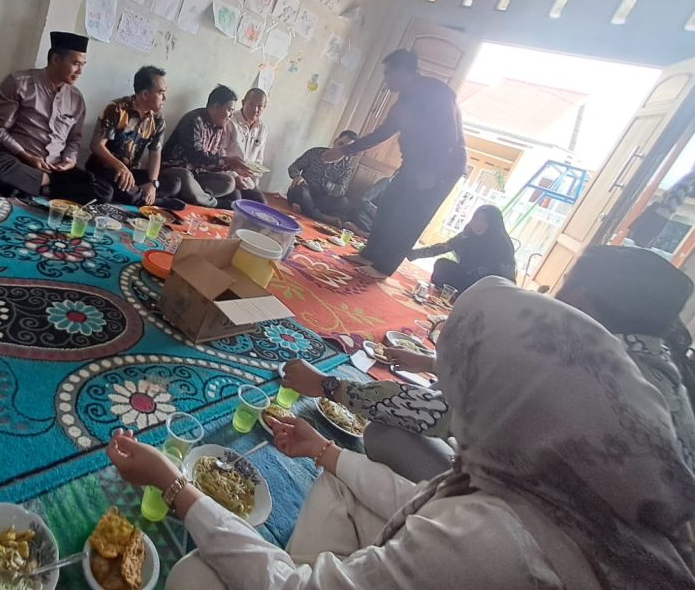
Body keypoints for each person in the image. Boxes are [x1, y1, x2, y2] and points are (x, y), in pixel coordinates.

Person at [108, 276, 695, 589]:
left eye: (460, 377)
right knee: (346, 475)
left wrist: (176, 486)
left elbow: (457, 530)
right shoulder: (583, 448)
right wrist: (325, 451)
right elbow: (423, 499)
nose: (449, 391)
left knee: (193, 575)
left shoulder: (495, 540)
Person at [286, 242, 695, 483]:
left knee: (385, 433)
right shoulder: (659, 368)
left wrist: (327, 385)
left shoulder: (588, 369)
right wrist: (430, 362)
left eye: (565, 286)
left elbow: (440, 412)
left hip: (549, 539)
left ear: (584, 301)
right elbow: (492, 385)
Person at [326, 49, 466, 279]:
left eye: (389, 73)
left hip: (442, 168)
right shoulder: (405, 100)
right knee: (389, 205)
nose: (386, 79)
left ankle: (383, 268)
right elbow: (384, 132)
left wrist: (430, 172)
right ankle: (369, 255)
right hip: (414, 163)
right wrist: (344, 151)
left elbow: (448, 137)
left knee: (409, 218)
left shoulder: (438, 93)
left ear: (405, 71)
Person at [0, 32, 100, 202]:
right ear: (56, 59)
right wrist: (26, 156)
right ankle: (49, 187)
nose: (80, 71)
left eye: (83, 65)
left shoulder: (76, 99)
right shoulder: (19, 83)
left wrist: (70, 161)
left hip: (55, 168)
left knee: (102, 190)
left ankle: (40, 187)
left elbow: (74, 139)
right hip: (19, 161)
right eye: (75, 64)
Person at [86, 66, 167, 206]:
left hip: (130, 172)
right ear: (145, 94)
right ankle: (147, 199)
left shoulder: (158, 119)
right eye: (161, 93)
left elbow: (155, 153)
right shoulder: (117, 109)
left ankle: (140, 195)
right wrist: (120, 167)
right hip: (106, 169)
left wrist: (153, 184)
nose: (164, 98)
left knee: (173, 182)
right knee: (108, 190)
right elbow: (96, 145)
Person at [160, 85, 251, 208]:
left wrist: (233, 168)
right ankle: (212, 203)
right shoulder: (193, 120)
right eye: (229, 110)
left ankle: (196, 197)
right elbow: (196, 156)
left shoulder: (221, 127)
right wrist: (227, 161)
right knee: (185, 177)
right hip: (175, 169)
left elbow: (214, 159)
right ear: (215, 107)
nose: (231, 115)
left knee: (229, 182)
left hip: (198, 174)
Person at [407, 204, 516, 292]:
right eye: (476, 219)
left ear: (493, 224)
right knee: (442, 264)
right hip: (466, 277)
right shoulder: (468, 234)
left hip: (484, 287)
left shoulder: (502, 244)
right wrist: (413, 253)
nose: (478, 224)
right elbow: (445, 247)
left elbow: (507, 278)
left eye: (484, 221)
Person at [286, 130, 360, 223]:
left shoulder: (346, 168)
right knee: (299, 189)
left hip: (321, 198)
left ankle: (304, 208)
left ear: (351, 152)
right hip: (304, 190)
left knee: (344, 202)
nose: (340, 149)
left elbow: (341, 190)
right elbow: (294, 166)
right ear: (335, 141)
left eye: (347, 148)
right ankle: (321, 216)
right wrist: (297, 176)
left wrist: (328, 184)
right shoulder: (315, 152)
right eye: (340, 144)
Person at [225, 88, 269, 203]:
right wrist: (235, 175)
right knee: (236, 200)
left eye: (260, 106)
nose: (255, 110)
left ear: (265, 108)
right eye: (251, 104)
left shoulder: (262, 129)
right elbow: (221, 153)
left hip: (248, 180)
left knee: (261, 203)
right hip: (229, 175)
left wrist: (255, 185)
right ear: (243, 102)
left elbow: (259, 160)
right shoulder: (230, 121)